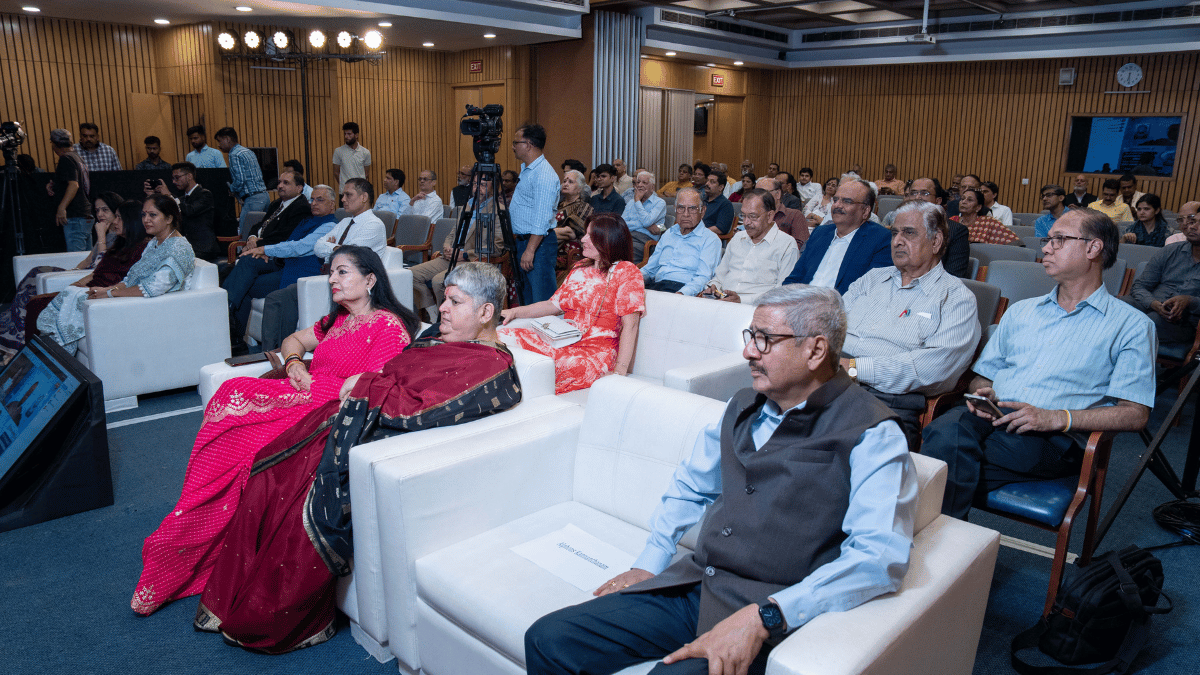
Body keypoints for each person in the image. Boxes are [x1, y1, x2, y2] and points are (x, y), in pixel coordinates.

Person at [524, 285, 917, 675]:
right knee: (549, 638)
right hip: (700, 585)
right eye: (751, 336)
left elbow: (878, 557)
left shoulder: (872, 433)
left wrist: (767, 617)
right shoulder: (743, 404)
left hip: (774, 613)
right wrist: (651, 562)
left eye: (765, 340)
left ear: (815, 351)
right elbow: (690, 485)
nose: (748, 351)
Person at [195, 262, 519, 653]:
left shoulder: (491, 365)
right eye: (444, 299)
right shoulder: (445, 339)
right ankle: (232, 596)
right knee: (267, 464)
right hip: (348, 417)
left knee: (291, 486)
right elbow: (399, 370)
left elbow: (417, 411)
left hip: (368, 435)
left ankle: (272, 617)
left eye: (455, 301)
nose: (442, 309)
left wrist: (364, 384)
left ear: (486, 312)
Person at [132, 245, 417, 618]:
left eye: (342, 272)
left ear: (370, 279)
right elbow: (293, 341)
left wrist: (322, 385)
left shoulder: (388, 326)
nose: (332, 279)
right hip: (302, 391)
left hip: (326, 406)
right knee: (230, 397)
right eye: (331, 272)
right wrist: (296, 363)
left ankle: (191, 536)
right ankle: (191, 521)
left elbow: (375, 383)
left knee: (235, 403)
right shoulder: (336, 321)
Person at [921, 209, 1156, 519]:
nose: (1046, 248)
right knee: (949, 428)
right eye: (1048, 240)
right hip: (993, 420)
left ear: (1093, 248)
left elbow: (1135, 414)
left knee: (936, 459)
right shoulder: (1022, 312)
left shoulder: (1132, 326)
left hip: (1052, 438)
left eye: (1059, 240)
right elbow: (982, 378)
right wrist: (985, 393)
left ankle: (937, 536)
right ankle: (947, 543)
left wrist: (1056, 418)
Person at [841, 201, 980, 450]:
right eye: (894, 233)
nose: (896, 241)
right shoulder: (872, 279)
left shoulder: (956, 298)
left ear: (936, 242)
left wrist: (852, 369)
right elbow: (831, 326)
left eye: (909, 233)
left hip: (885, 401)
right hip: (830, 382)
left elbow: (932, 371)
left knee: (830, 454)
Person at [500, 213, 644, 394]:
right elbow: (553, 305)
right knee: (501, 337)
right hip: (562, 340)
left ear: (608, 240)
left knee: (545, 364)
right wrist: (515, 312)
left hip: (594, 354)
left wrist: (620, 372)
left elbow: (630, 325)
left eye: (591, 236)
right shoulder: (581, 266)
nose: (583, 239)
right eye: (585, 234)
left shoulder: (626, 271)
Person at [38, 195, 196, 355]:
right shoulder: (154, 243)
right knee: (74, 293)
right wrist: (106, 290)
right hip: (135, 300)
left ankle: (58, 360)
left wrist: (109, 293)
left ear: (169, 218)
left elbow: (153, 288)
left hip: (153, 309)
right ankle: (52, 358)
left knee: (78, 297)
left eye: (153, 215)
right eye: (143, 214)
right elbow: (131, 277)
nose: (146, 220)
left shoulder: (179, 248)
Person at [1, 196, 146, 356]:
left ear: (131, 220)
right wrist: (73, 285)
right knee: (35, 301)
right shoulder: (120, 243)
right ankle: (30, 357)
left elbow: (128, 281)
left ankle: (41, 362)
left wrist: (99, 291)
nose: (115, 221)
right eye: (97, 210)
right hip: (88, 288)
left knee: (37, 306)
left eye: (119, 217)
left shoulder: (142, 248)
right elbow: (94, 271)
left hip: (100, 295)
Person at [258, 178, 386, 351]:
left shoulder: (374, 224)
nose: (343, 199)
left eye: (348, 195)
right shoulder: (345, 222)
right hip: (329, 276)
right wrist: (338, 248)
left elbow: (350, 256)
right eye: (343, 195)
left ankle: (274, 354)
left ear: (364, 197)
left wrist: (334, 247)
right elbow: (318, 246)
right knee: (282, 297)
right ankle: (277, 352)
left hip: (349, 283)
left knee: (279, 298)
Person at [224, 183, 339, 344]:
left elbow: (300, 248)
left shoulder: (329, 225)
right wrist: (267, 253)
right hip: (286, 265)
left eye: (320, 200)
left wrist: (265, 250)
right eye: (312, 199)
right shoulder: (309, 220)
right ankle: (229, 313)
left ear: (332, 204)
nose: (313, 203)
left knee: (248, 285)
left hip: (301, 273)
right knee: (248, 260)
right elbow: (288, 242)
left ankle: (232, 325)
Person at [410, 176, 505, 319]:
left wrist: (466, 254)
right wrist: (447, 246)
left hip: (473, 260)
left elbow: (497, 247)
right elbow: (453, 232)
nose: (477, 188)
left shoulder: (498, 211)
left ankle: (447, 319)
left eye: (484, 185)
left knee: (438, 281)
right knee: (411, 274)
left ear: (494, 188)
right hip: (451, 256)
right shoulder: (467, 205)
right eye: (474, 184)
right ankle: (434, 312)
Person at [785, 179, 891, 294]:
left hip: (840, 308)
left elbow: (871, 291)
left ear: (865, 211)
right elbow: (795, 277)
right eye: (835, 200)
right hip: (802, 303)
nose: (837, 205)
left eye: (847, 201)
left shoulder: (881, 239)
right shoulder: (820, 233)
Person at [702, 190, 798, 305]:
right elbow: (720, 276)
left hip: (756, 308)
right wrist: (713, 287)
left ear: (770, 216)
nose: (746, 222)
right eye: (743, 215)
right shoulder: (738, 238)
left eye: (753, 216)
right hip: (723, 302)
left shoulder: (786, 245)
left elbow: (783, 293)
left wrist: (742, 300)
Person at [1126, 201, 1200, 350]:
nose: (1191, 226)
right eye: (1193, 222)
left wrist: (1189, 301)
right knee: (1120, 305)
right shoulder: (1170, 251)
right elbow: (1139, 286)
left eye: (1199, 224)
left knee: (1147, 323)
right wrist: (1154, 304)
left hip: (1184, 322)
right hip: (1151, 306)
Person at [511, 124, 560, 304]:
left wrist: (530, 250)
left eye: (516, 142)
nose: (513, 146)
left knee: (541, 301)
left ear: (529, 144)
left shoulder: (543, 174)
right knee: (527, 300)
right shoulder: (529, 170)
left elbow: (541, 217)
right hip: (526, 242)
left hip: (537, 245)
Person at [643, 188, 722, 295]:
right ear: (675, 209)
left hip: (682, 289)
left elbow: (703, 277)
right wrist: (630, 278)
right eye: (681, 208)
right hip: (656, 287)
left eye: (692, 208)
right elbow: (650, 269)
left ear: (702, 211)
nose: (686, 214)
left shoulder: (710, 239)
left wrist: (682, 294)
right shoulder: (668, 233)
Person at [147, 161, 219, 261]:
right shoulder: (181, 199)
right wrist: (152, 196)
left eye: (177, 177)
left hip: (203, 249)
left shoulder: (205, 195)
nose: (173, 182)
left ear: (189, 176)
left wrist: (169, 196)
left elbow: (190, 210)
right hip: (184, 246)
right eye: (172, 178)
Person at [214, 127, 270, 238]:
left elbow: (240, 180)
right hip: (265, 196)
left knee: (246, 236)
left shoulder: (234, 154)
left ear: (227, 139)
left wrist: (232, 189)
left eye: (220, 141)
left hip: (253, 200)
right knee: (262, 234)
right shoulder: (247, 151)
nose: (219, 145)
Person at [47, 128, 93, 252]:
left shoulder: (65, 159)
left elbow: (74, 185)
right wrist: (55, 185)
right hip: (85, 214)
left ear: (55, 144)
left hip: (75, 217)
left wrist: (62, 207)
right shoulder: (77, 158)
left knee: (76, 262)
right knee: (87, 260)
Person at [242, 169, 310, 247]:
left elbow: (283, 236)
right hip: (256, 247)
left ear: (299, 188)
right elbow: (261, 225)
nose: (280, 186)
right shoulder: (276, 204)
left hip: (272, 252)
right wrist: (252, 238)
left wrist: (255, 245)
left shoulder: (301, 208)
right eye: (279, 182)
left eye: (286, 183)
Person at [622, 171, 667, 262]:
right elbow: (621, 224)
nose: (640, 185)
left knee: (622, 253)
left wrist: (637, 201)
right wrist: (647, 226)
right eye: (638, 182)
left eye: (644, 182)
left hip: (644, 241)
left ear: (652, 187)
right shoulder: (631, 202)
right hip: (626, 236)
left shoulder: (659, 203)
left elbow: (650, 223)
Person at [756, 176, 808, 251]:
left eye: (763, 193)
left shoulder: (794, 215)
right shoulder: (752, 216)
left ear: (778, 194)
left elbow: (800, 247)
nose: (757, 197)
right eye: (755, 193)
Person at [953, 188, 1020, 245]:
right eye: (962, 199)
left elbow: (1016, 242)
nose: (964, 202)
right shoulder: (952, 221)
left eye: (970, 200)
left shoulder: (989, 223)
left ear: (978, 207)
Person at [332, 121, 371, 190]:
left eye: (349, 134)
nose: (346, 136)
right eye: (345, 134)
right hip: (344, 191)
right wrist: (344, 185)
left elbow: (366, 174)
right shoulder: (338, 151)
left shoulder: (365, 152)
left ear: (356, 135)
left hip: (359, 191)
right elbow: (336, 172)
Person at [701, 169, 735, 236]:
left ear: (720, 187)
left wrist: (699, 232)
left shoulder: (725, 204)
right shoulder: (701, 200)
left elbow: (720, 229)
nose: (707, 184)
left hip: (709, 239)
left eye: (712, 182)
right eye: (707, 181)